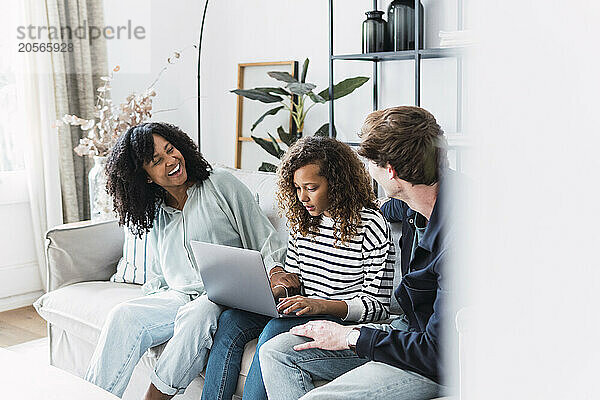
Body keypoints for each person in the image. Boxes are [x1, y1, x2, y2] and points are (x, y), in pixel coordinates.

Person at [259, 106, 464, 400]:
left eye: (370, 163)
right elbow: (386, 205)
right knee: (276, 352)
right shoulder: (415, 198)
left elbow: (439, 353)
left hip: (435, 362)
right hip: (407, 331)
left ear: (390, 171)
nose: (367, 170)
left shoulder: (460, 237)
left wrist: (349, 336)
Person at [83, 122, 286, 400]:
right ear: (147, 178)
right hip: (178, 295)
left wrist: (276, 272)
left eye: (171, 149)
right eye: (157, 161)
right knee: (123, 315)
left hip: (223, 295)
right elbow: (158, 276)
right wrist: (155, 305)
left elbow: (265, 239)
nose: (171, 160)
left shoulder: (221, 184)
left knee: (197, 314)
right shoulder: (156, 213)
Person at [200, 136, 396, 400]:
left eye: (311, 187)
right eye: (297, 188)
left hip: (335, 316)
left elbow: (378, 307)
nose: (302, 197)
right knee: (231, 320)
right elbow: (296, 278)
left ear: (337, 184)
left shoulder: (371, 225)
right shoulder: (304, 221)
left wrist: (320, 305)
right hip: (302, 308)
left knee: (272, 333)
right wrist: (277, 288)